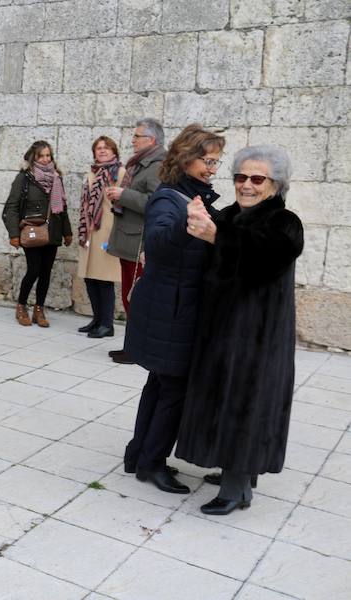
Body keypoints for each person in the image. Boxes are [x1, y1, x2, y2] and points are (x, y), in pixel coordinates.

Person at [176, 146, 303, 515]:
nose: (247, 185)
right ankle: (238, 473)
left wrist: (216, 236)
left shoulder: (285, 223)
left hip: (257, 337)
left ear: (275, 185)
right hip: (222, 331)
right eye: (241, 177)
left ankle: (236, 489)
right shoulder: (230, 215)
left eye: (257, 179)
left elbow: (264, 258)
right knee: (222, 399)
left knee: (246, 405)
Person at [123, 124, 226, 494]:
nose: (212, 169)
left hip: (173, 304)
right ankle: (152, 464)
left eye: (216, 161)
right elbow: (159, 243)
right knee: (174, 389)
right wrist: (190, 226)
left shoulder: (190, 195)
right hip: (173, 308)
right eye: (207, 160)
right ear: (186, 158)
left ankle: (137, 454)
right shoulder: (171, 199)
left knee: (159, 383)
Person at [103, 119, 166, 363]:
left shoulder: (158, 165)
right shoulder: (142, 163)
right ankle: (132, 345)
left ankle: (137, 349)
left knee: (135, 297)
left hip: (138, 242)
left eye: (137, 136)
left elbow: (158, 202)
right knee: (130, 296)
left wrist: (123, 194)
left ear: (151, 140)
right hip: (129, 239)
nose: (133, 140)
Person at [2, 140, 73, 327]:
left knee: (46, 272)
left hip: (53, 230)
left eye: (48, 155)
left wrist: (67, 232)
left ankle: (39, 309)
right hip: (32, 231)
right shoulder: (24, 178)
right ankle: (21, 305)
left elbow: (62, 208)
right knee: (34, 269)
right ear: (33, 157)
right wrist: (13, 234)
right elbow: (11, 208)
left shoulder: (57, 178)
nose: (45, 159)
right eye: (41, 156)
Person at [76, 136, 123, 338]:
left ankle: (107, 324)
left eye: (106, 148)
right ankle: (96, 319)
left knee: (104, 279)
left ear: (114, 152)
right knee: (90, 278)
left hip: (107, 231)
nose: (102, 151)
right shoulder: (92, 172)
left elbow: (123, 202)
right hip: (89, 232)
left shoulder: (119, 172)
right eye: (98, 148)